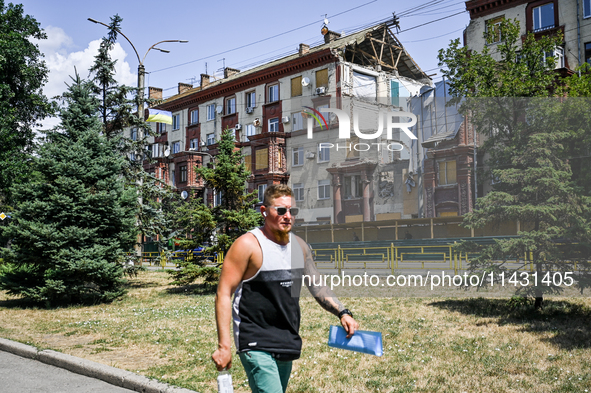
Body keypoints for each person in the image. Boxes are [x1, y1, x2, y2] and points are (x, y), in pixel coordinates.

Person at [212, 184, 359, 393]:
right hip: (255, 340)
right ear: (264, 212)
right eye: (281, 210)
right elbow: (223, 294)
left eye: (292, 211)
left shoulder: (299, 247)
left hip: (286, 340)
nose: (288, 215)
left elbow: (317, 285)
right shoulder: (248, 245)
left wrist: (343, 312)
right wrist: (223, 347)